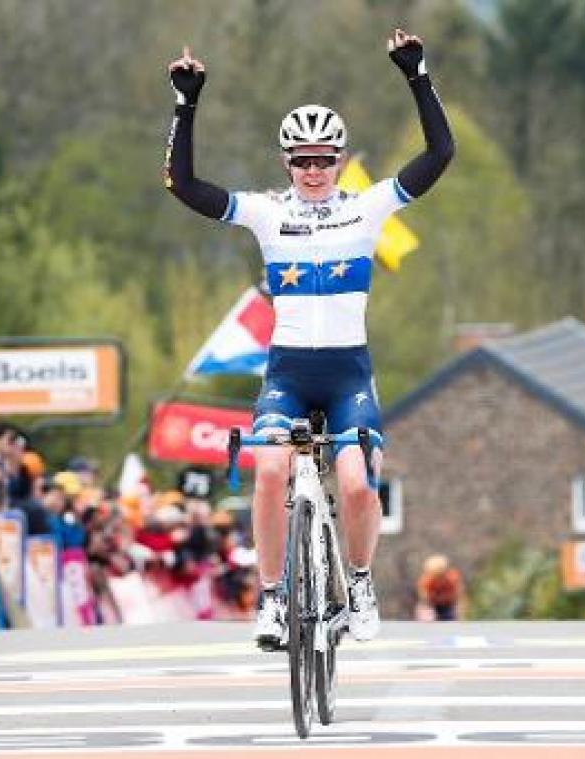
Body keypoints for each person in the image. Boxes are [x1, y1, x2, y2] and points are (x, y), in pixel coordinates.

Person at [165, 28, 453, 649]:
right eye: (302, 159)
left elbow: (439, 156)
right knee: (268, 473)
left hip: (349, 373)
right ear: (286, 163)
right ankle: (271, 598)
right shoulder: (268, 211)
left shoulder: (369, 208)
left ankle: (359, 581)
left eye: (325, 158)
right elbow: (185, 188)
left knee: (354, 484)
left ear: (342, 160)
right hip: (288, 375)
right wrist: (187, 106)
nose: (314, 170)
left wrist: (417, 76)